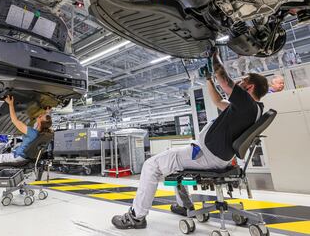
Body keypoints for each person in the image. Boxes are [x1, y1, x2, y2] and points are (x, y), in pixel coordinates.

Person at [111, 49, 269, 229]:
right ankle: (183, 205)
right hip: (214, 156)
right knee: (172, 160)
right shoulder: (251, 110)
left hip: (207, 156)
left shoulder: (247, 105)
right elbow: (218, 101)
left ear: (250, 87)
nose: (239, 82)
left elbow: (224, 79)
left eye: (243, 81)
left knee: (150, 166)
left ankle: (136, 217)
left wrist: (213, 54)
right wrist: (209, 79)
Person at [0, 95, 52, 207]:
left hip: (17, 158)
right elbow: (45, 122)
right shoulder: (44, 134)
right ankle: (15, 185)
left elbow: (15, 120)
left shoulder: (31, 132)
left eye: (41, 116)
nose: (40, 115)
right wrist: (48, 112)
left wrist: (10, 104)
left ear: (40, 123)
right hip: (26, 158)